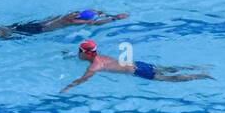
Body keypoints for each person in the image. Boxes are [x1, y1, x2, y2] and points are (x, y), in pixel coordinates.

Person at [61, 40, 212, 91]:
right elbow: (82, 57)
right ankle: (195, 67)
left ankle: (199, 76)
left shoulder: (94, 66)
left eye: (79, 51)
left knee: (169, 79)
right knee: (168, 68)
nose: (78, 53)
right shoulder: (99, 57)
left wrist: (67, 88)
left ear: (86, 53)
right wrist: (68, 56)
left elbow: (82, 80)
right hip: (137, 63)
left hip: (138, 72)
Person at [0, 9, 127, 38]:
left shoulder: (71, 13)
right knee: (6, 34)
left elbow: (93, 11)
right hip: (38, 30)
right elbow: (95, 24)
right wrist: (114, 18)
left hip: (33, 24)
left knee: (7, 28)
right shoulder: (73, 20)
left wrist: (104, 13)